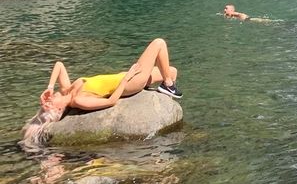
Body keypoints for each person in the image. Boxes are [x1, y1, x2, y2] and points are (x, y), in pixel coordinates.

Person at [23, 38, 182, 144]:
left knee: (171, 71)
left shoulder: (66, 89)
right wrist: (127, 79)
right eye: (48, 105)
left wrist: (49, 87)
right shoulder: (78, 100)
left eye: (46, 102)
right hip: (130, 83)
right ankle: (167, 86)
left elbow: (58, 65)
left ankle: (164, 94)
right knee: (159, 43)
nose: (49, 100)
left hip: (125, 76)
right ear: (57, 109)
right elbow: (110, 101)